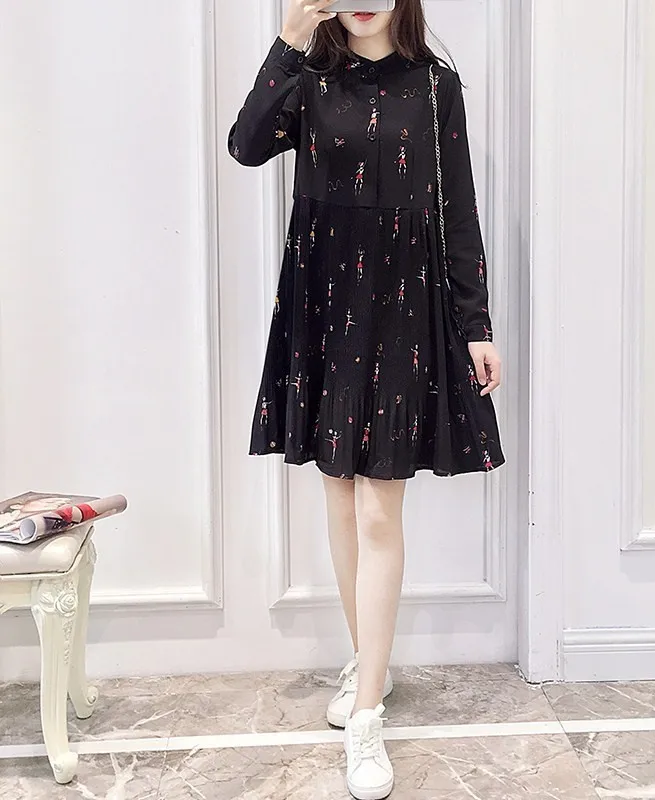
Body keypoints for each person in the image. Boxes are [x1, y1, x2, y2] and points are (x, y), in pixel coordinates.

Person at [228, 2, 505, 797]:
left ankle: (368, 714)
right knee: (342, 499)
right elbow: (246, 145)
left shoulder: (436, 85)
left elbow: (458, 210)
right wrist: (287, 40)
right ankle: (366, 659)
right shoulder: (309, 77)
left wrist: (475, 324)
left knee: (380, 510)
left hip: (402, 308)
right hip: (323, 302)